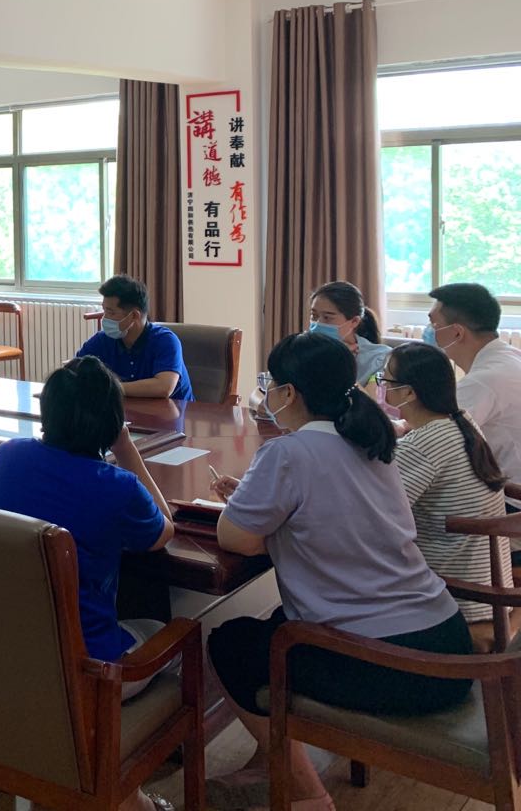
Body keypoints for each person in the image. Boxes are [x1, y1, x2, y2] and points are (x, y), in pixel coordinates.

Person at [207, 332, 472, 809]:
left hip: (393, 664)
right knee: (274, 625)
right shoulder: (371, 440)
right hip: (446, 639)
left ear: (289, 392)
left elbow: (237, 539)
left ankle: (307, 795)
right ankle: (270, 764)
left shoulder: (287, 452)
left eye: (271, 384)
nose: (267, 393)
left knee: (229, 643)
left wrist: (254, 506)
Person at [0, 355, 174, 811]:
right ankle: (126, 787)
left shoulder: (8, 458)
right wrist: (125, 447)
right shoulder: (116, 487)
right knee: (176, 636)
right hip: (87, 671)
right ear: (111, 422)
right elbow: (164, 530)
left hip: (10, 655)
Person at [380, 341, 511, 642]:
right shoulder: (460, 421)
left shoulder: (423, 446)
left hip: (459, 606)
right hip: (489, 594)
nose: (382, 384)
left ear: (409, 392)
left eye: (385, 378)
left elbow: (378, 515)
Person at [426, 283, 521, 492]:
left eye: (433, 324)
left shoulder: (484, 381)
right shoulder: (509, 356)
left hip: (509, 499)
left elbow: (433, 440)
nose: (429, 331)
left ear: (457, 333)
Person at [75, 274, 193, 400]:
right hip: (126, 409)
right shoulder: (103, 340)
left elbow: (164, 387)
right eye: (104, 311)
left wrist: (111, 388)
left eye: (111, 313)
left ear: (134, 316)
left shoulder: (165, 341)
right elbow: (74, 371)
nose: (105, 318)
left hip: (175, 411)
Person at [309, 280, 390, 385]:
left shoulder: (380, 358)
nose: (318, 324)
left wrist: (342, 364)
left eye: (327, 317)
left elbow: (370, 395)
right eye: (314, 316)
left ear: (354, 321)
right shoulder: (303, 351)